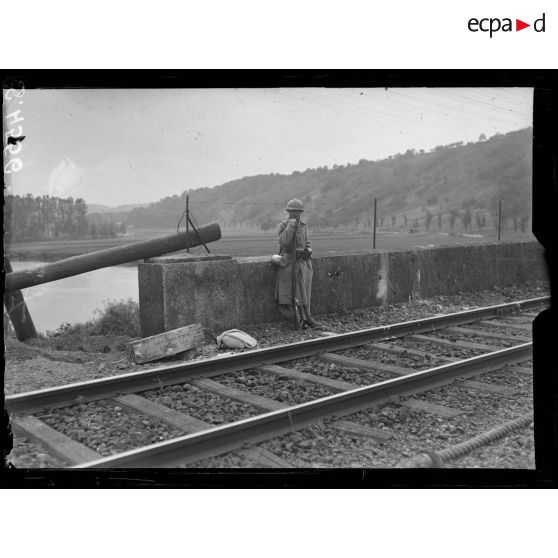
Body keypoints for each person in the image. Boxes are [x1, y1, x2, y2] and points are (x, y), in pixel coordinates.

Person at [274, 198, 322, 328]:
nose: (295, 214)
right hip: (290, 263)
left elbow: (306, 242)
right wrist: (290, 226)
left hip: (304, 263)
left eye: (298, 212)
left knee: (306, 291)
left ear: (301, 212)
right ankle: (298, 319)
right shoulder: (283, 225)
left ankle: (308, 316)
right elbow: (283, 242)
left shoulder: (304, 226)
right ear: (288, 212)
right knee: (294, 294)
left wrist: (308, 249)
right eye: (292, 211)